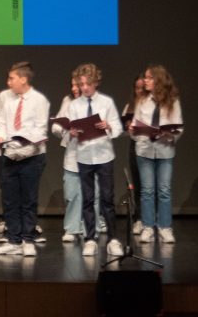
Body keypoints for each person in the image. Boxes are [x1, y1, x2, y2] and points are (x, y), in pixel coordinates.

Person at [0, 62, 49, 257]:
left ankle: (28, 239)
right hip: (9, 155)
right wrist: (0, 136)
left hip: (31, 156)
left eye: (12, 78)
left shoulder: (39, 100)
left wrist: (26, 144)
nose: (9, 83)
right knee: (11, 200)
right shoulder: (8, 100)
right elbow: (1, 123)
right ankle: (14, 240)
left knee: (29, 199)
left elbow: (40, 128)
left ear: (23, 79)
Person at [68, 63, 124, 258]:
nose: (84, 88)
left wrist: (108, 126)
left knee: (108, 198)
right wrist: (73, 132)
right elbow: (72, 131)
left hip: (104, 155)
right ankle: (90, 238)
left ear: (95, 83)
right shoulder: (74, 105)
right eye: (81, 84)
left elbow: (118, 128)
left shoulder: (106, 102)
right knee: (88, 199)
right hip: (84, 156)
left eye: (87, 84)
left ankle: (112, 239)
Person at [130, 65, 183, 244]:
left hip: (164, 150)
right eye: (145, 77)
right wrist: (133, 129)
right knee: (147, 190)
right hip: (144, 150)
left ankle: (165, 227)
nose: (145, 81)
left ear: (159, 80)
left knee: (164, 190)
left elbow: (179, 128)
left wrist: (168, 133)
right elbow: (135, 129)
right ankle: (147, 227)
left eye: (149, 78)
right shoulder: (142, 101)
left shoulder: (172, 101)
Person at [51, 71, 84, 243]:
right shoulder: (67, 101)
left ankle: (88, 227)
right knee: (71, 193)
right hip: (72, 154)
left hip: (90, 154)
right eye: (72, 84)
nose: (74, 88)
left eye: (77, 84)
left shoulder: (94, 103)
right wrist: (63, 128)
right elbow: (57, 127)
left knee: (91, 195)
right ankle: (71, 228)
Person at [122, 71, 149, 236]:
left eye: (142, 88)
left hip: (150, 146)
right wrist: (127, 126)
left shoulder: (152, 105)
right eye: (136, 88)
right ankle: (139, 219)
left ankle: (150, 220)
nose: (139, 92)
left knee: (150, 186)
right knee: (137, 184)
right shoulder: (130, 106)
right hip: (135, 145)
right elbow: (124, 130)